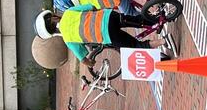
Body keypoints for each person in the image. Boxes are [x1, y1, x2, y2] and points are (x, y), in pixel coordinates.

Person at [34, 5, 166, 71]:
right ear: (54, 17)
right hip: (109, 16)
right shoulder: (69, 12)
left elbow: (83, 59)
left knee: (136, 46)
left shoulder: (68, 39)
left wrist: (91, 64)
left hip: (108, 35)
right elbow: (91, 7)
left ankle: (163, 41)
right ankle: (160, 19)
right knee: (136, 20)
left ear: (53, 32)